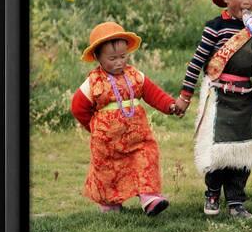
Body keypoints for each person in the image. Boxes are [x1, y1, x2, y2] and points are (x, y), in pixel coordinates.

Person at [174, 0, 252, 219]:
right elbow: (197, 62)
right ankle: (212, 192)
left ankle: (236, 202)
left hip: (245, 100)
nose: (247, 0)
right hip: (219, 99)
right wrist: (184, 96)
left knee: (242, 152)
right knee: (218, 151)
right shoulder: (215, 27)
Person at [71, 22, 177, 216]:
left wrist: (170, 106)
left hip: (138, 137)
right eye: (112, 58)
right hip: (107, 142)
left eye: (123, 56)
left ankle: (149, 197)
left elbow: (153, 94)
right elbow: (78, 107)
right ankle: (110, 204)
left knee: (146, 159)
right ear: (97, 57)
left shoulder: (135, 76)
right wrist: (95, 127)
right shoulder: (94, 82)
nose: (119, 62)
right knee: (108, 172)